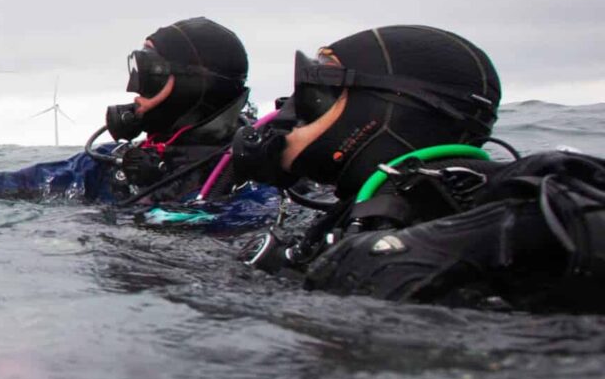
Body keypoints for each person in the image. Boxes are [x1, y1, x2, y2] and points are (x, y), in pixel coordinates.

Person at [230, 24, 605, 311]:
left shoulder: (478, 199)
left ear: (380, 110)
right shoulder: (354, 211)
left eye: (316, 94)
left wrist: (462, 242)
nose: (288, 111)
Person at [0, 18, 275, 224]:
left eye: (149, 74)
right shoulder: (111, 166)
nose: (134, 91)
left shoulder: (259, 178)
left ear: (191, 87)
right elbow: (7, 188)